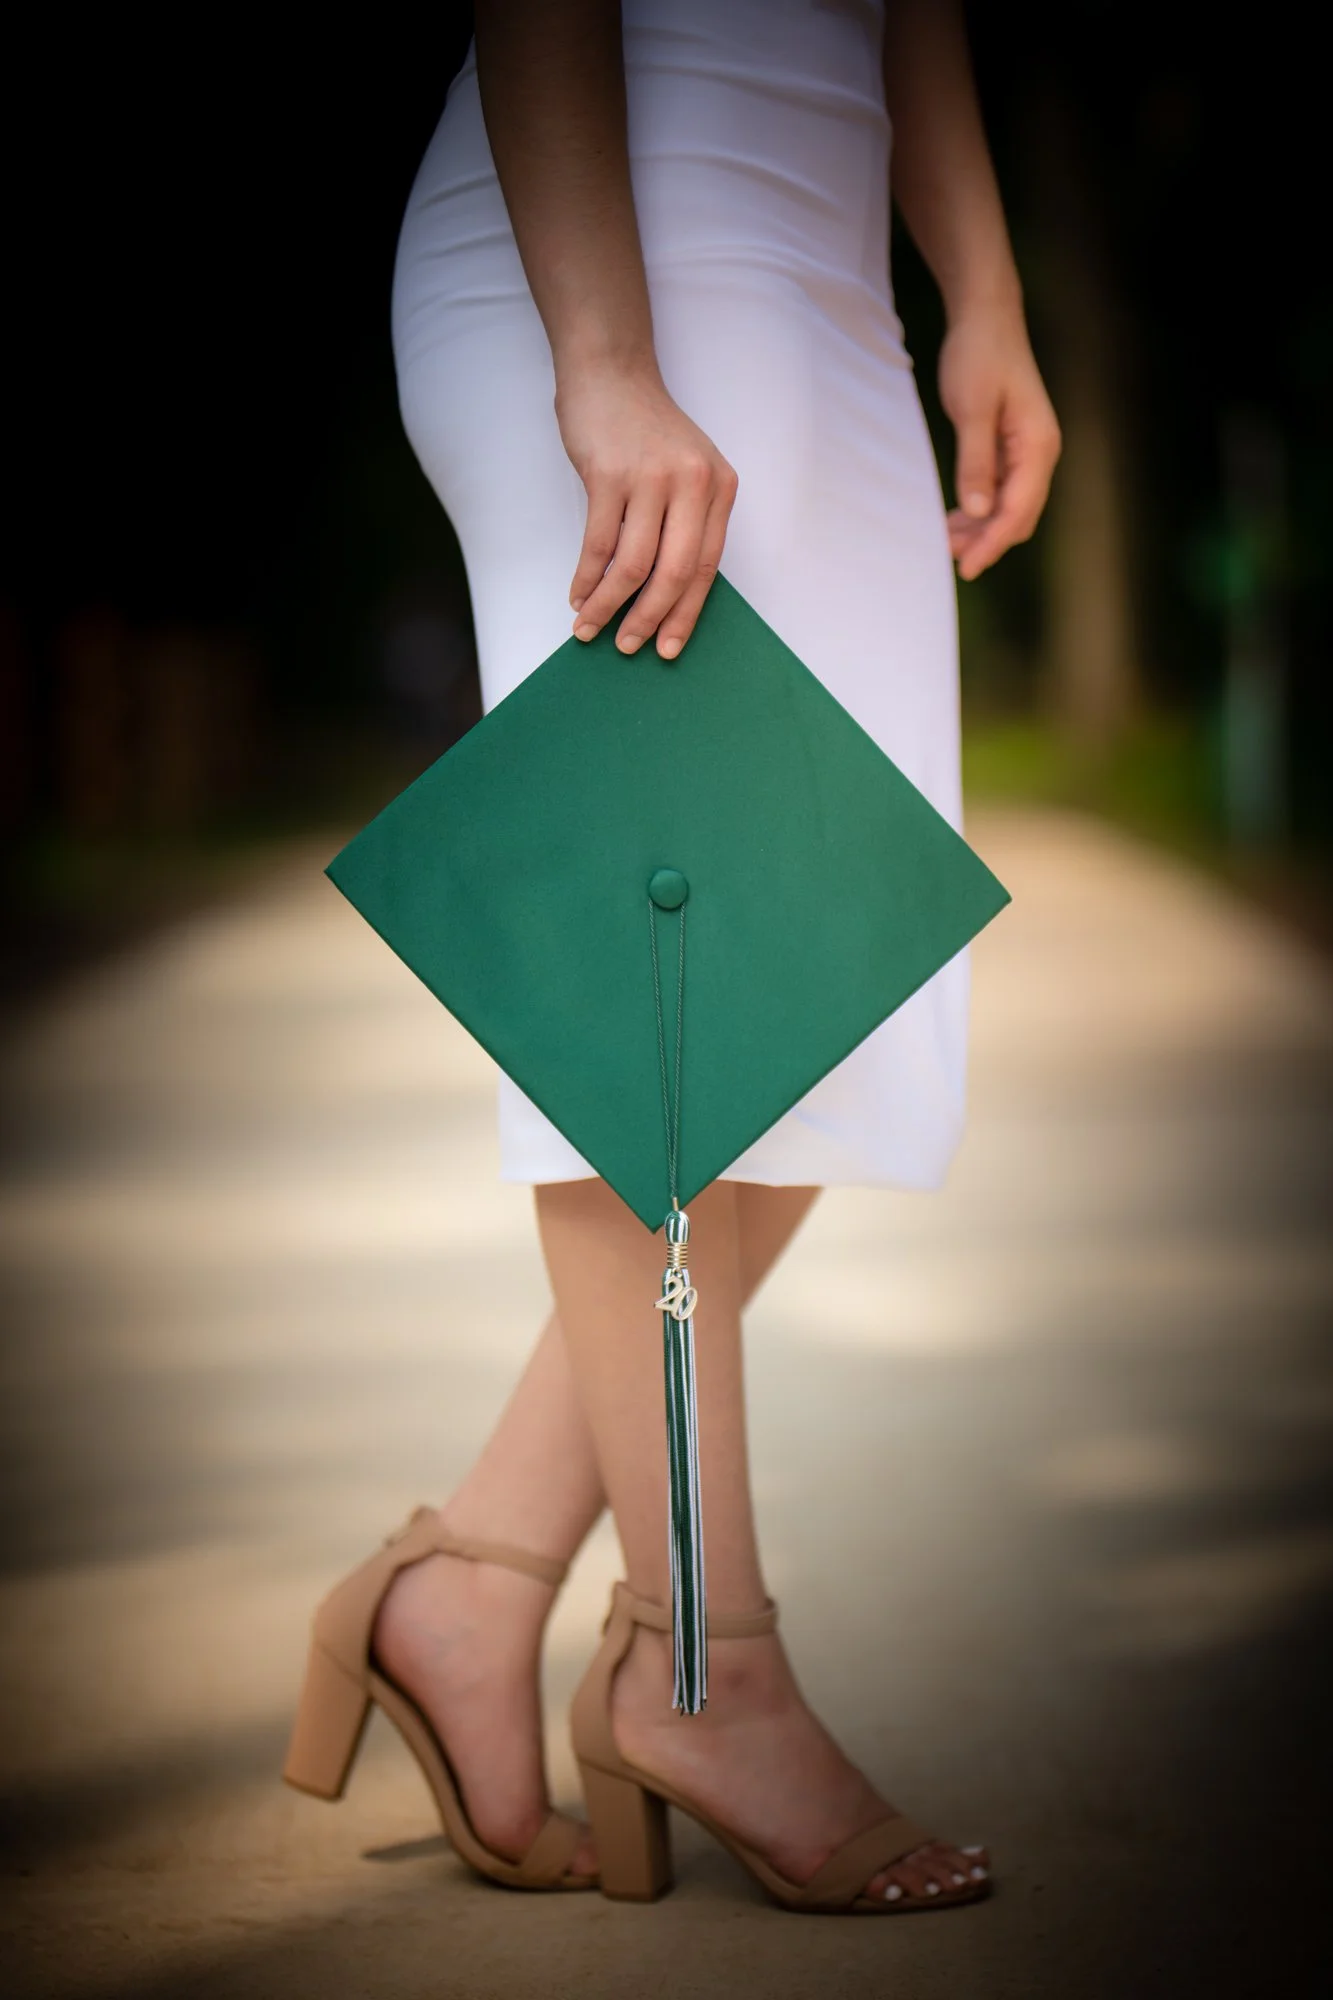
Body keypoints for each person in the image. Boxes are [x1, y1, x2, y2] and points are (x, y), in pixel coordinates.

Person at [284, 0, 1059, 1913]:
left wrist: (986, 291)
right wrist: (604, 357)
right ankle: (701, 1666)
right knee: (650, 1011)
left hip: (828, 279)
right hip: (608, 249)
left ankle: (469, 1589)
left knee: (831, 1002)